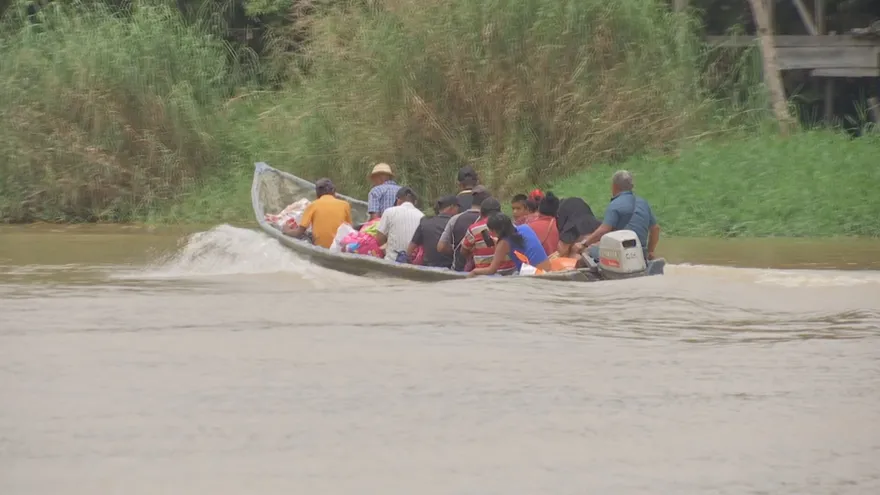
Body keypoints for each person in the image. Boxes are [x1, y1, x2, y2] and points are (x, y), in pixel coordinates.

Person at [574, 170, 661, 260]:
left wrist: (584, 244)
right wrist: (650, 251)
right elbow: (655, 229)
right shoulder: (643, 203)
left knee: (588, 251)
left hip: (620, 254)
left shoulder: (615, 205)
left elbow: (603, 230)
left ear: (614, 186)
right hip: (640, 253)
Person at [468, 213, 551, 277]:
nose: (490, 233)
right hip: (548, 270)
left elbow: (491, 270)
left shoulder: (503, 244)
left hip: (534, 276)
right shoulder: (525, 228)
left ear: (495, 230)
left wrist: (474, 271)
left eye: (491, 230)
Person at [286, 178, 352, 249]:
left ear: (317, 194)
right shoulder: (345, 205)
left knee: (305, 235)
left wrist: (286, 231)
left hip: (320, 247)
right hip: (339, 247)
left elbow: (299, 232)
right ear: (334, 192)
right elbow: (349, 229)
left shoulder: (313, 205)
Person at [437, 186, 491, 271]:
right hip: (481, 271)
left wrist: (455, 250)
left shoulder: (455, 219)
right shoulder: (488, 221)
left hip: (457, 270)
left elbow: (441, 247)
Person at [459, 198, 516, 274]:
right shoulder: (510, 225)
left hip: (484, 273)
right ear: (500, 211)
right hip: (510, 271)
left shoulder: (474, 229)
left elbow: (463, 251)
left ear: (481, 213)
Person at [407, 195, 458, 268]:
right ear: (452, 207)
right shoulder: (455, 222)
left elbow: (411, 246)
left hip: (428, 267)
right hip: (449, 267)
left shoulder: (425, 221)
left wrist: (407, 260)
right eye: (457, 207)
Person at [375, 187, 425, 262]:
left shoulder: (389, 212)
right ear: (415, 202)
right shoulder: (422, 216)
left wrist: (386, 251)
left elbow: (379, 237)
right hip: (413, 262)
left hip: (391, 260)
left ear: (398, 200)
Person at [526, 192, 560, 256]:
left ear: (539, 208)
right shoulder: (560, 225)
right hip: (555, 262)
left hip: (532, 264)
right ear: (557, 210)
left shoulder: (528, 225)